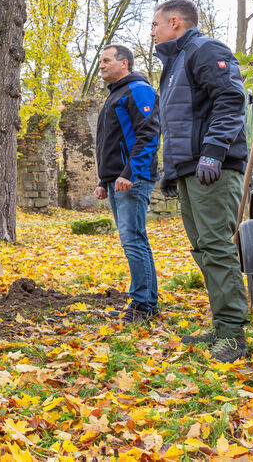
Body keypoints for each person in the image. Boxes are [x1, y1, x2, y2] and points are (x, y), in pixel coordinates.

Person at [151, 0, 250, 363]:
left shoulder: (205, 50)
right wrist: (172, 171)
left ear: (175, 22)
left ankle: (233, 335)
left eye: (155, 24)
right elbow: (177, 123)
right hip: (190, 170)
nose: (152, 31)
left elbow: (230, 99)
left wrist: (213, 151)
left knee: (216, 245)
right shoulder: (175, 63)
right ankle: (222, 326)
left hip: (214, 167)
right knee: (202, 248)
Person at [93, 44, 161, 323]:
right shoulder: (114, 95)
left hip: (131, 180)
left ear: (124, 63)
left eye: (107, 61)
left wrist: (130, 174)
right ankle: (143, 302)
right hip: (116, 181)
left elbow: (149, 135)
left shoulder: (138, 89)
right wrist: (103, 180)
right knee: (131, 240)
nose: (101, 66)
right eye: (100, 62)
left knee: (134, 240)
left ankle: (143, 306)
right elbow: (113, 143)